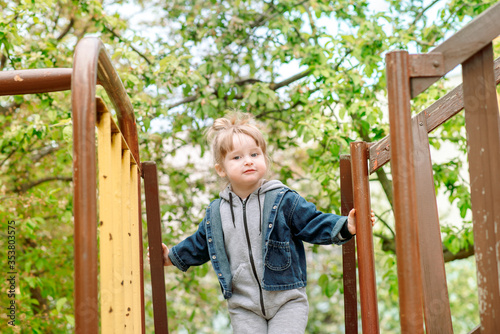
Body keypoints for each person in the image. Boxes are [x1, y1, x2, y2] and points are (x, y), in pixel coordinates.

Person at [151, 112, 375, 333]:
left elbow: (313, 222)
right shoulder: (216, 213)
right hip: (244, 306)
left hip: (287, 300)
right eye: (237, 157)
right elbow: (200, 244)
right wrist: (171, 257)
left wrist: (347, 225)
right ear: (221, 169)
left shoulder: (283, 199)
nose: (248, 161)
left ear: (265, 159)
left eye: (254, 154)